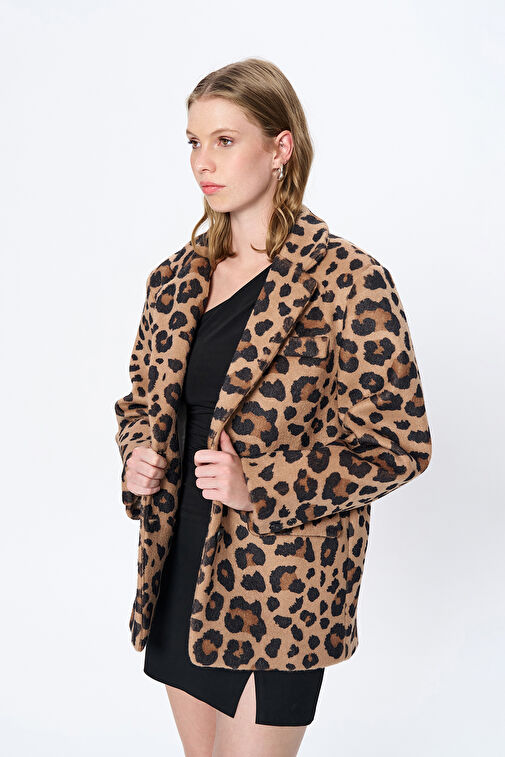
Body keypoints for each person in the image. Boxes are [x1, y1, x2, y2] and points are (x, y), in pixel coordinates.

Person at [114, 58, 432, 757]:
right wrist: (138, 453)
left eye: (225, 140)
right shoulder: (174, 279)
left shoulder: (348, 280)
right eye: (194, 142)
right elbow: (140, 402)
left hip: (281, 584)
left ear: (279, 147)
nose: (203, 161)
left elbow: (399, 446)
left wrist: (261, 483)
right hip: (180, 560)